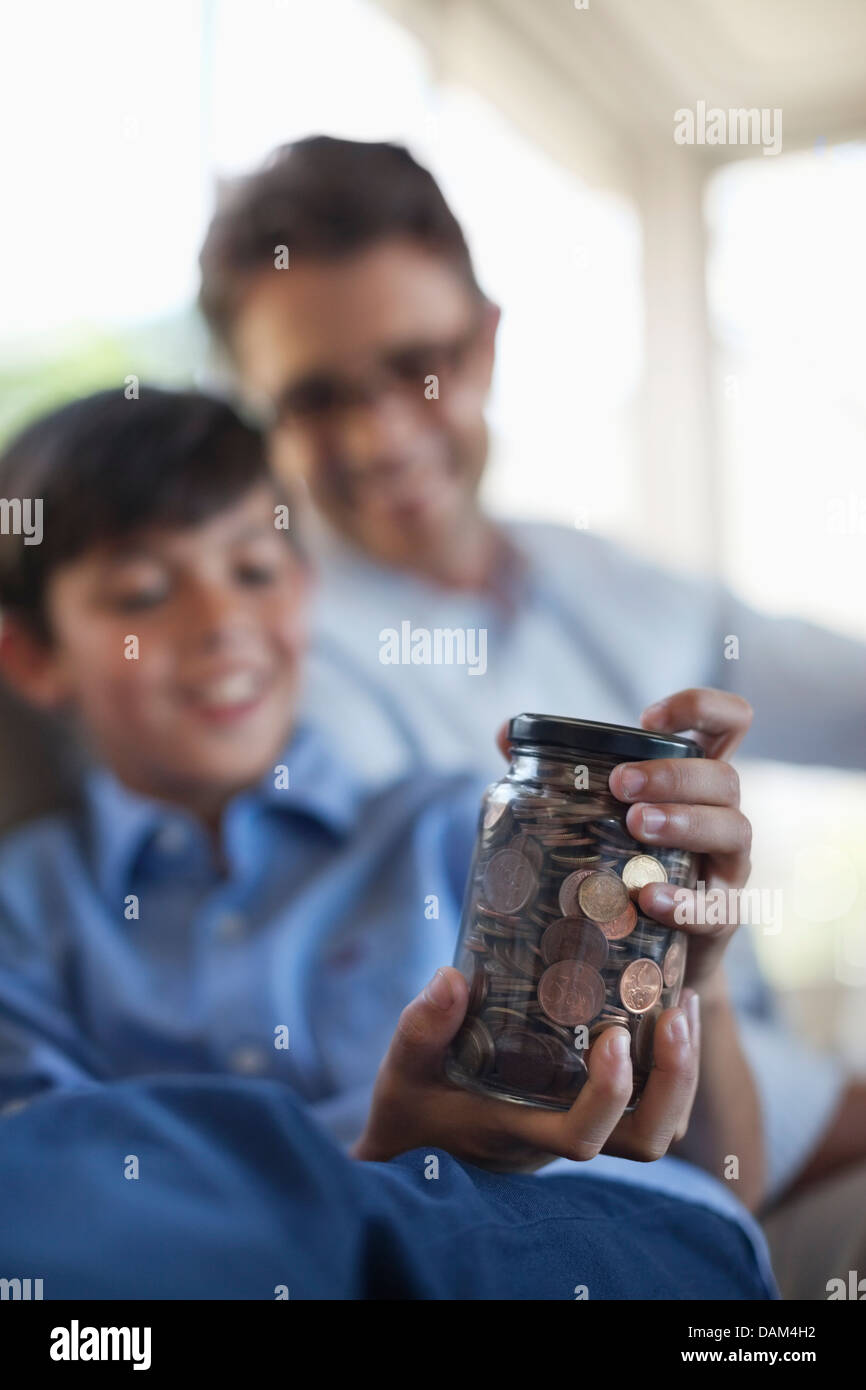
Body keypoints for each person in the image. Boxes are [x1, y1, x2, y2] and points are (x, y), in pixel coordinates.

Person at [197, 136, 866, 1296]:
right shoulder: (272, 686)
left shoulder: (607, 583)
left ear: (488, 340)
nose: (378, 438)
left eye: (416, 368)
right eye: (314, 398)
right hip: (646, 1190)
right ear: (258, 413)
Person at [0, 387, 773, 1299]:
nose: (219, 622)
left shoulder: (463, 830)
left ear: (306, 590)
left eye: (253, 570)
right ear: (33, 660)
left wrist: (693, 985)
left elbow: (722, 1185)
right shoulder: (24, 910)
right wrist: (374, 1161)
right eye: (143, 592)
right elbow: (47, 1210)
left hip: (554, 1238)